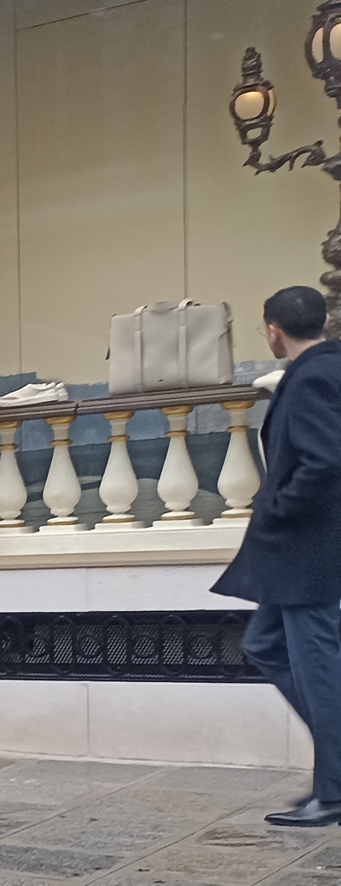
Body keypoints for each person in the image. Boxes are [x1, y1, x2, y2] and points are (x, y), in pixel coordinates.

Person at [215, 285, 341, 827]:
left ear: (273, 329)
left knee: (319, 669)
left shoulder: (313, 376)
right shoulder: (325, 367)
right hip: (298, 555)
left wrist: (280, 511)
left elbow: (324, 460)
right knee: (265, 644)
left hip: (304, 552)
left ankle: (334, 791)